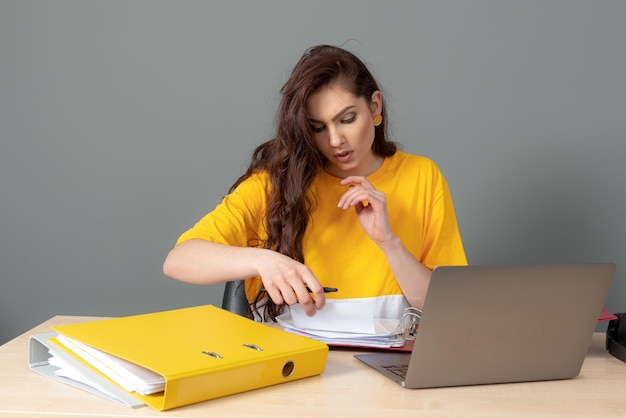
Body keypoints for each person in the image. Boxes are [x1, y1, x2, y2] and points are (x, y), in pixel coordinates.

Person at [163, 44, 467, 322]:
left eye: (347, 119)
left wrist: (389, 243)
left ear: (375, 107)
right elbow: (179, 260)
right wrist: (263, 260)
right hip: (290, 364)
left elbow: (451, 308)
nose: (335, 141)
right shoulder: (276, 183)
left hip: (388, 365)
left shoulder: (422, 176)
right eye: (317, 128)